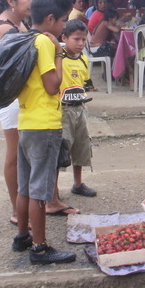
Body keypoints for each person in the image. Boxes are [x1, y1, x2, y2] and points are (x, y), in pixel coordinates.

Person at [12, 0, 76, 265]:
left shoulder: (25, 39)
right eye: (63, 21)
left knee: (24, 186)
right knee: (41, 190)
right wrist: (60, 53)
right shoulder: (46, 43)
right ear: (50, 19)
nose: (63, 27)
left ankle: (22, 236)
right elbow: (52, 86)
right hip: (44, 125)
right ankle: (40, 248)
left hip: (26, 121)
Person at [0, 0, 36, 227]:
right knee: (15, 153)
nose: (32, 2)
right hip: (10, 98)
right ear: (10, 1)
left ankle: (28, 204)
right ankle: (17, 210)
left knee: (25, 152)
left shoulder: (21, 23)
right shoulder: (4, 29)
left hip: (23, 96)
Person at [59, 20, 96, 197]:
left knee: (81, 147)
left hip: (80, 108)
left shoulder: (83, 59)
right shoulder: (58, 57)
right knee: (62, 148)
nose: (81, 43)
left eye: (84, 39)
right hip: (62, 111)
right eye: (76, 39)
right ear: (64, 37)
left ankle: (78, 183)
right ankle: (54, 189)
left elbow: (84, 82)